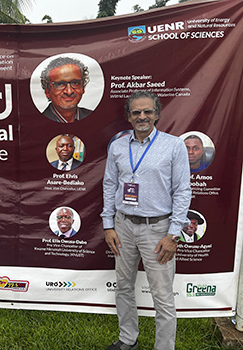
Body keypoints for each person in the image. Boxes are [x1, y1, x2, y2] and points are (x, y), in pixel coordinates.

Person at [101, 91, 191, 350]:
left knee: (162, 296)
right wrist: (109, 225)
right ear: (129, 117)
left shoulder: (173, 146)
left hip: (159, 230)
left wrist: (173, 234)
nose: (142, 117)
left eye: (147, 111)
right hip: (123, 226)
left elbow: (183, 191)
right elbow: (109, 185)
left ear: (157, 114)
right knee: (123, 287)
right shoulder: (118, 146)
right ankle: (128, 339)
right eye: (136, 112)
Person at [40, 56, 92, 123]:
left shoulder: (97, 119)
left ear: (83, 88)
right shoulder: (36, 123)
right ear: (47, 92)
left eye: (75, 83)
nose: (69, 91)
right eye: (60, 84)